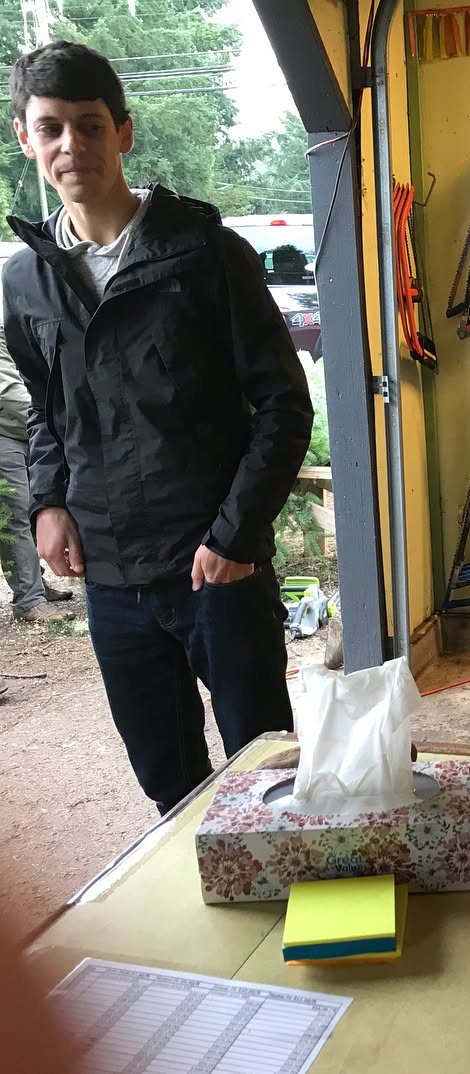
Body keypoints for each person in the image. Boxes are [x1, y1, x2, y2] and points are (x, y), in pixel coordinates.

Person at [3, 41, 314, 814]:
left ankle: (281, 913)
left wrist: (238, 537)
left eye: (90, 124)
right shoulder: (26, 279)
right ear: (25, 139)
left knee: (265, 770)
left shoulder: (207, 255)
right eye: (51, 129)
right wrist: (48, 504)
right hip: (112, 577)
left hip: (216, 566)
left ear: (124, 133)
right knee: (167, 780)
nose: (70, 146)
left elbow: (283, 404)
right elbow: (47, 409)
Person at [0, 318, 75, 633]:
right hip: (6, 431)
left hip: (24, 428)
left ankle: (36, 585)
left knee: (34, 508)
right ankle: (28, 600)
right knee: (14, 514)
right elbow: (6, 391)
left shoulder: (9, 327)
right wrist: (57, 416)